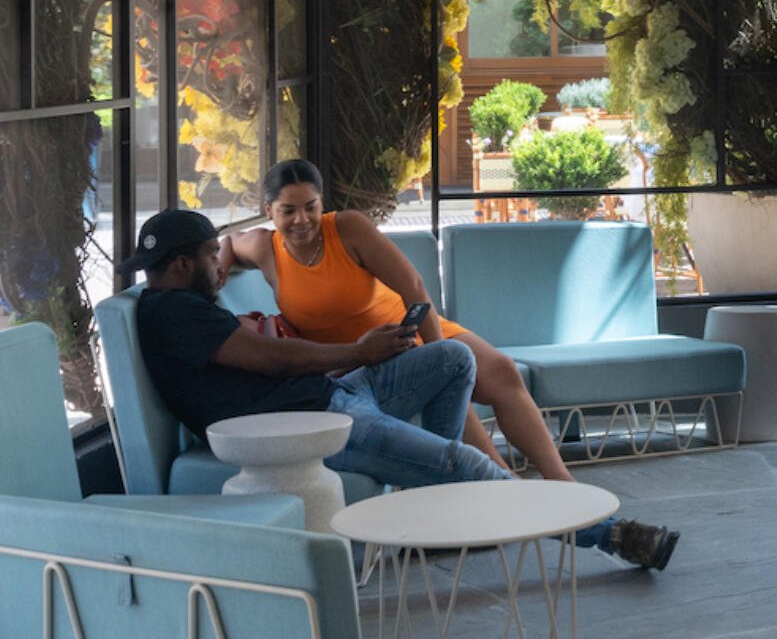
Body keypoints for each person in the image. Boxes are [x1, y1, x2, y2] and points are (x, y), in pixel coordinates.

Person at [129, 207, 679, 571]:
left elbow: (253, 352)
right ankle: (610, 537)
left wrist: (353, 364)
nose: (218, 267)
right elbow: (273, 361)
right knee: (469, 465)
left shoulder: (181, 301)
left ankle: (437, 509)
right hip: (315, 427)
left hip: (331, 395)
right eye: (208, 259)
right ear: (181, 265)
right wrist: (358, 353)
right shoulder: (173, 311)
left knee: (451, 358)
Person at [221, 160, 572, 483]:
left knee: (501, 370)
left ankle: (562, 484)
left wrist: (440, 353)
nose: (302, 220)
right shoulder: (266, 249)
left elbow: (414, 287)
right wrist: (220, 265)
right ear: (269, 210)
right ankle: (505, 486)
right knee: (457, 400)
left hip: (405, 329)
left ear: (321, 202)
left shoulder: (347, 227)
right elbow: (230, 242)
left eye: (311, 206)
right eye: (288, 210)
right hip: (364, 359)